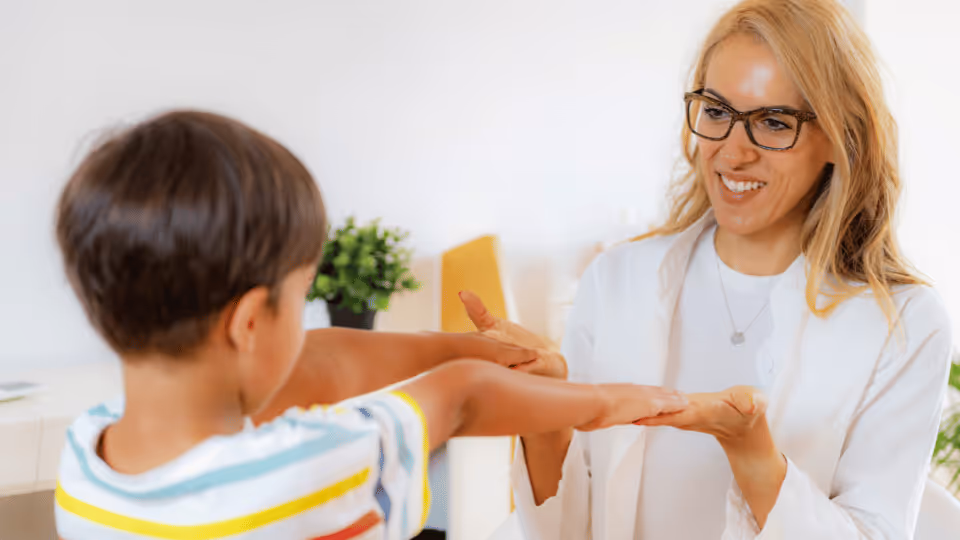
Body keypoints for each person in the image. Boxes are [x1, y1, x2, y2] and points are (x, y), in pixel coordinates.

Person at [52, 110, 688, 539]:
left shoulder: (86, 454)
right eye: (300, 296)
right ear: (248, 321)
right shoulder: (315, 464)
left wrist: (467, 345)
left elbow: (318, 364)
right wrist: (603, 401)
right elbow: (464, 396)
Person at [462, 0, 954, 538]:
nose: (732, 153)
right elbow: (570, 521)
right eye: (716, 112)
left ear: (838, 137)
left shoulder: (902, 323)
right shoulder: (618, 279)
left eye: (772, 121)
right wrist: (547, 418)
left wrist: (753, 454)